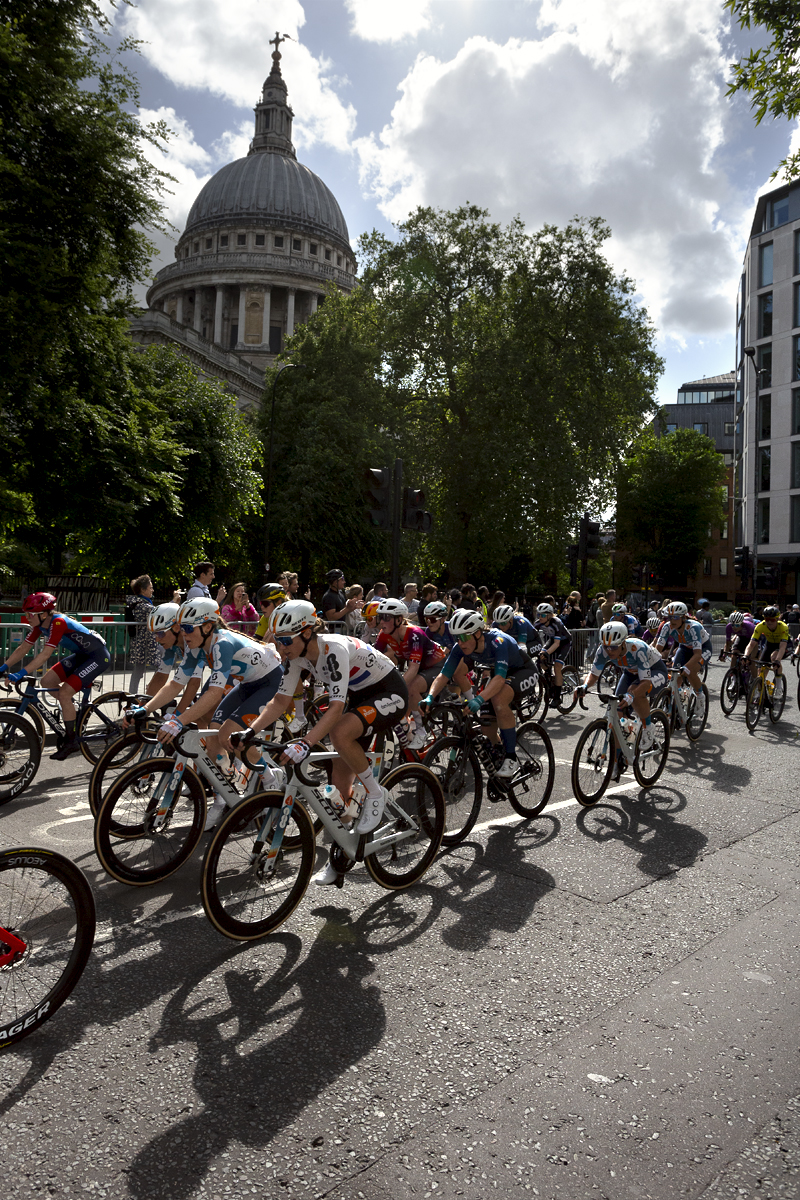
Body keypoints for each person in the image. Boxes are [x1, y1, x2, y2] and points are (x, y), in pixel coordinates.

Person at [248, 600, 411, 882]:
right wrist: (250, 732)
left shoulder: (332, 649)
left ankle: (375, 793)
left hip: (390, 692)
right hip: (362, 697)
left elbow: (335, 709)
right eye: (278, 640)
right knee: (339, 783)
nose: (281, 647)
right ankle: (341, 858)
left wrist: (306, 742)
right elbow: (280, 700)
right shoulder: (297, 657)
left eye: (285, 640)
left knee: (340, 733)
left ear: (307, 632)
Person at [130, 598, 285, 829]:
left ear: (207, 627)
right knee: (214, 733)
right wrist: (145, 708)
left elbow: (213, 694)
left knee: (227, 735)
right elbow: (175, 685)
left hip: (269, 682)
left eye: (188, 628)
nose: (184, 634)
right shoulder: (195, 647)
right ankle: (222, 797)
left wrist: (178, 720)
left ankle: (271, 778)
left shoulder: (221, 643)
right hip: (246, 684)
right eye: (182, 628)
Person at [420, 609, 538, 778]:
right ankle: (500, 751)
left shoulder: (498, 641)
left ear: (477, 633)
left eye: (463, 637)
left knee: (498, 699)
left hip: (523, 671)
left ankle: (511, 757)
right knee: (486, 727)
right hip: (502, 676)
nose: (460, 642)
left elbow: (498, 679)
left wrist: (479, 699)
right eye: (456, 637)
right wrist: (430, 696)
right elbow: (444, 674)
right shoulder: (461, 646)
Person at [0, 591, 110, 760]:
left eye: (30, 614)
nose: (27, 617)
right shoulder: (40, 626)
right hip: (82, 656)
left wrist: (21, 673)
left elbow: (45, 655)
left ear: (44, 614)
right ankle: (70, 710)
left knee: (65, 693)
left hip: (97, 657)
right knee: (46, 681)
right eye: (26, 614)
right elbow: (23, 648)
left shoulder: (58, 623)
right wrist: (3, 667)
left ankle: (72, 741)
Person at [575, 620, 668, 778]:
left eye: (613, 647)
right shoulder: (603, 650)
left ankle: (648, 726)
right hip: (630, 673)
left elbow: (644, 682)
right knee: (616, 715)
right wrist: (584, 686)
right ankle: (617, 761)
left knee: (636, 693)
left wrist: (632, 695)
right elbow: (594, 674)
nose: (609, 651)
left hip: (655, 672)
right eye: (606, 646)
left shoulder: (637, 648)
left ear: (623, 643)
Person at [374, 597, 449, 748]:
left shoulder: (414, 633)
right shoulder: (384, 634)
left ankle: (421, 732)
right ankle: (407, 730)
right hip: (420, 667)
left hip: (436, 665)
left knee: (410, 688)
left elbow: (413, 669)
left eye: (386, 618)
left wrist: (395, 687)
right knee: (400, 701)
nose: (381, 622)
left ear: (399, 619)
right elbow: (373, 658)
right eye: (379, 617)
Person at [655, 601, 711, 696]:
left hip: (703, 649)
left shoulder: (693, 627)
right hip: (684, 648)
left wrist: (686, 667)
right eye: (670, 617)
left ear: (684, 618)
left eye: (676, 617)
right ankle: (675, 702)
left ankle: (700, 697)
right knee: (675, 677)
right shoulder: (667, 627)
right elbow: (657, 649)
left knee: (690, 671)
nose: (672, 621)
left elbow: (697, 654)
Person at [127, 574, 160, 697]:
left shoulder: (139, 603)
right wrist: (173, 602)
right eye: (150, 587)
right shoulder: (142, 605)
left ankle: (133, 696)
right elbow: (158, 613)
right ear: (143, 590)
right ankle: (148, 694)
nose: (152, 590)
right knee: (158, 667)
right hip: (144, 644)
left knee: (139, 671)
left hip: (144, 643)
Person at [533, 603, 573, 703]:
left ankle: (557, 698)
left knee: (557, 666)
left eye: (542, 615)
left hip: (565, 642)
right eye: (538, 615)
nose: (540, 617)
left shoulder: (556, 623)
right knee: (541, 659)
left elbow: (557, 643)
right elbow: (533, 637)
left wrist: (547, 653)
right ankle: (548, 677)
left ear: (550, 615)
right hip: (552, 640)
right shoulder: (538, 623)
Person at [744, 605, 789, 677]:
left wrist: (777, 660)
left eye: (772, 620)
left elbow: (782, 647)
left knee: (774, 658)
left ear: (777, 619)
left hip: (782, 644)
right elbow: (751, 644)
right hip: (769, 644)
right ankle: (761, 686)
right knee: (761, 669)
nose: (769, 622)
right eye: (767, 619)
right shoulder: (760, 626)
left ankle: (779, 685)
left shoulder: (783, 627)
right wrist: (745, 655)